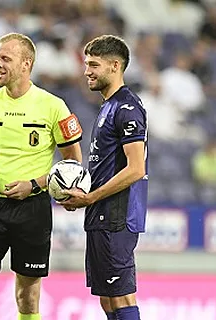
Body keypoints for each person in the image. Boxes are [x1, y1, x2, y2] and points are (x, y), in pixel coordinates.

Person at [0, 32, 83, 320]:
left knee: (28, 294)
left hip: (33, 209)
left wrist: (34, 185)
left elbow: (74, 162)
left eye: (5, 58)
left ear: (26, 64)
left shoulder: (53, 106)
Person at [60, 35, 147, 320]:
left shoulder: (127, 107)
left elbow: (137, 168)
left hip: (116, 216)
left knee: (121, 297)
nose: (87, 71)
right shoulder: (108, 106)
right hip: (101, 214)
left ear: (114, 65)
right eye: (86, 64)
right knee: (108, 300)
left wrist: (91, 197)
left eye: (94, 65)